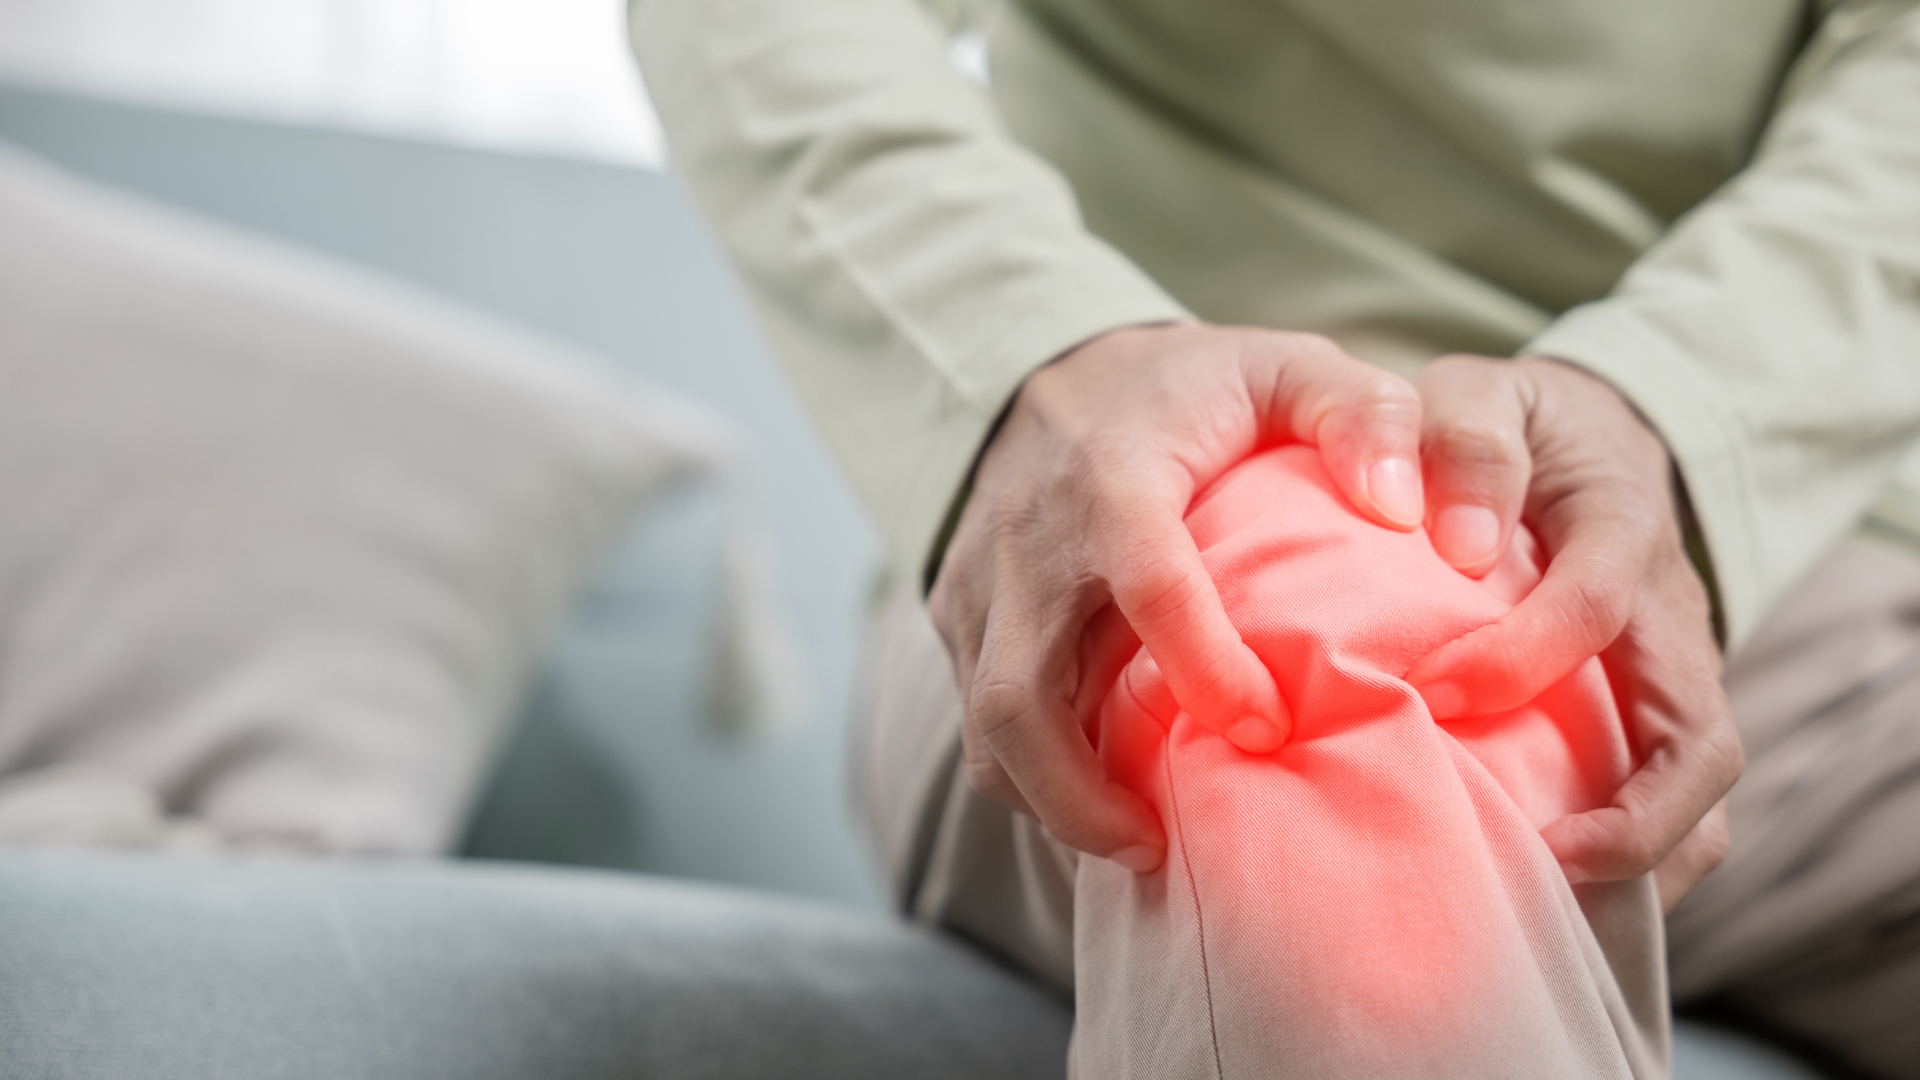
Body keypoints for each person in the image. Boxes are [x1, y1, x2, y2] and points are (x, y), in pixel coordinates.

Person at [630, 0, 1920, 1075]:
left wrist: (1676, 412)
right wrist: (1035, 356)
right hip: (1163, 505)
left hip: (1803, 595)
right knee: (1282, 685)